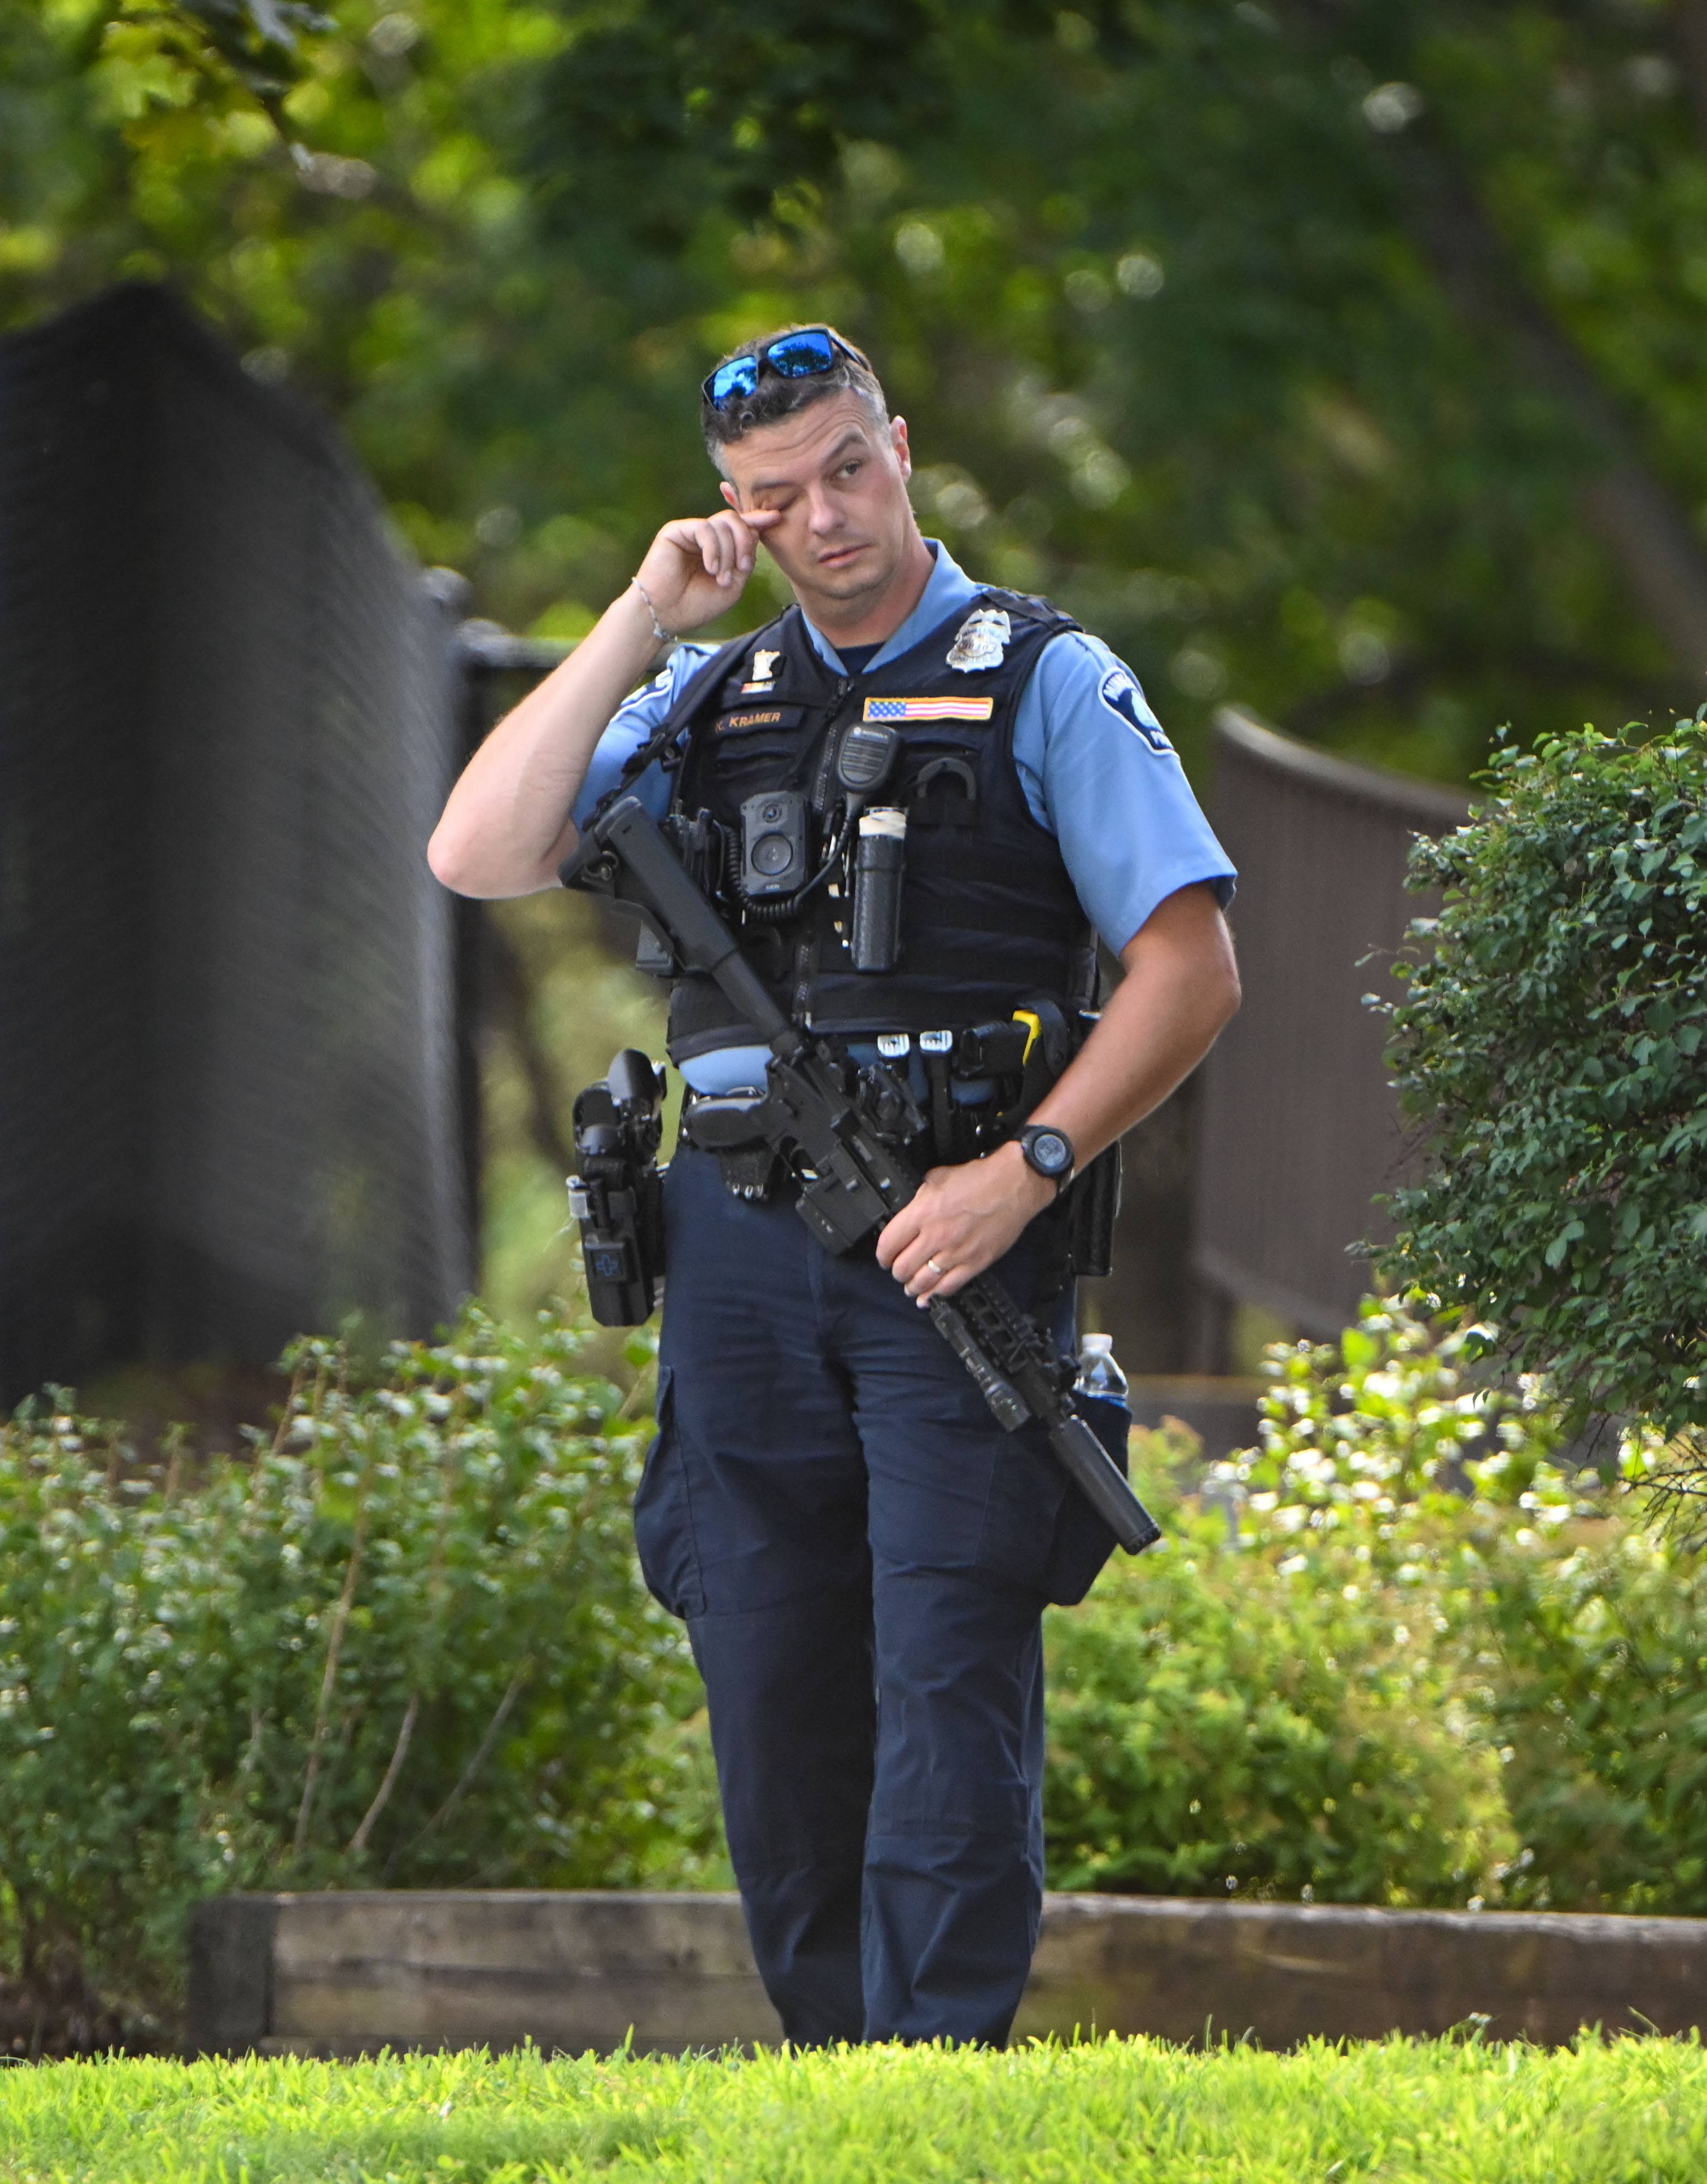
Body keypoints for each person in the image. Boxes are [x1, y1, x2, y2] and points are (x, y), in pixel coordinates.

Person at [426, 327, 1240, 2046]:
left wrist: (1021, 1175)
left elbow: (1188, 970)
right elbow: (478, 849)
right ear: (730, 513)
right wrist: (648, 613)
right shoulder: (710, 689)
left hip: (955, 1240)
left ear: (901, 447)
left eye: (844, 469)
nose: (822, 519)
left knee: (946, 1665)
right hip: (736, 1249)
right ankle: (826, 2075)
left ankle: (934, 2079)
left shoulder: (1042, 673)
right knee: (768, 1659)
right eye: (767, 498)